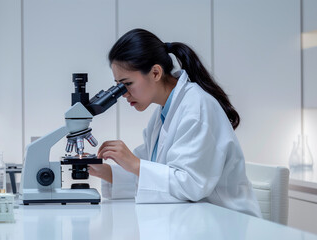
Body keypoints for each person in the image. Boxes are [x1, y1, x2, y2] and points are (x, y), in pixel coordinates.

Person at [88, 28, 261, 217]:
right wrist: (105, 171)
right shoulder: (164, 112)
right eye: (118, 86)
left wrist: (135, 163)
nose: (124, 94)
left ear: (155, 73)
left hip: (227, 221)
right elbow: (151, 175)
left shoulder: (196, 108)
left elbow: (190, 186)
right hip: (193, 218)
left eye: (127, 84)